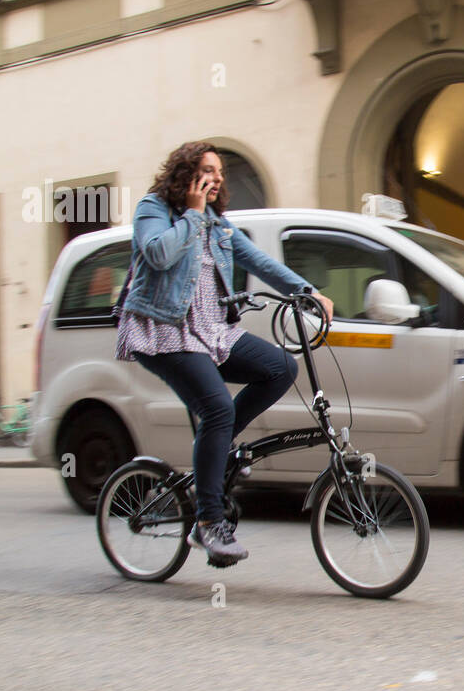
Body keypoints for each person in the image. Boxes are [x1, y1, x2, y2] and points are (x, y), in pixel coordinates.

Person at [115, 142, 334, 564]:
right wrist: (193, 214)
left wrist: (307, 292)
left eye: (219, 173)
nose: (216, 179)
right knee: (216, 409)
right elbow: (158, 254)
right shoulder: (154, 208)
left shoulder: (218, 225)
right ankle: (207, 523)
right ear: (185, 174)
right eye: (207, 171)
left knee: (279, 367)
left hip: (211, 330)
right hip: (164, 332)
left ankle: (220, 448)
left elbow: (260, 262)